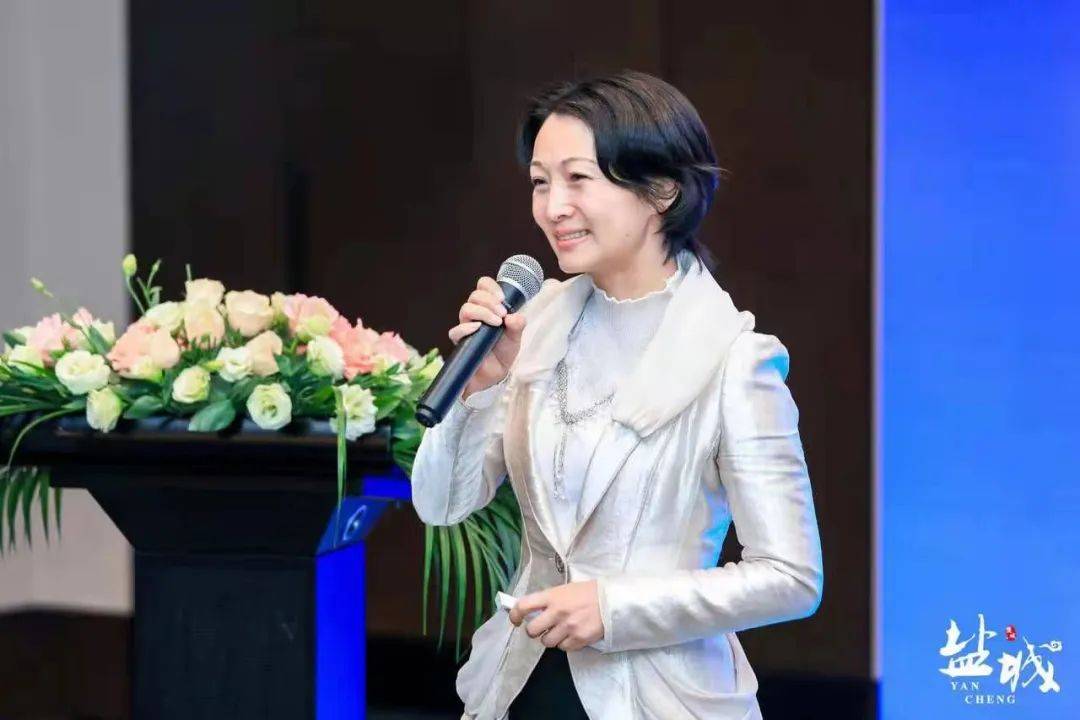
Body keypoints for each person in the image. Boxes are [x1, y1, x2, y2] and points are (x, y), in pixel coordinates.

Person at [411, 70, 824, 720]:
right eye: (540, 182)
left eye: (578, 179)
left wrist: (613, 608)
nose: (553, 207)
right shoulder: (532, 324)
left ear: (662, 189)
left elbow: (791, 577)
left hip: (661, 697)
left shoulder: (733, 360)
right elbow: (441, 505)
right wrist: (479, 391)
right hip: (519, 684)